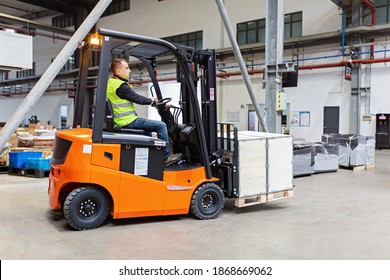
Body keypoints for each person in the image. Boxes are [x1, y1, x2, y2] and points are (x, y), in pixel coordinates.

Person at [107, 58, 182, 166]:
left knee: (148, 131)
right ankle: (166, 157)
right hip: (126, 121)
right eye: (127, 68)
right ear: (118, 71)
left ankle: (150, 157)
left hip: (119, 120)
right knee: (161, 126)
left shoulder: (111, 83)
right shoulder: (121, 86)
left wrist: (161, 104)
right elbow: (138, 99)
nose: (130, 71)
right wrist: (151, 100)